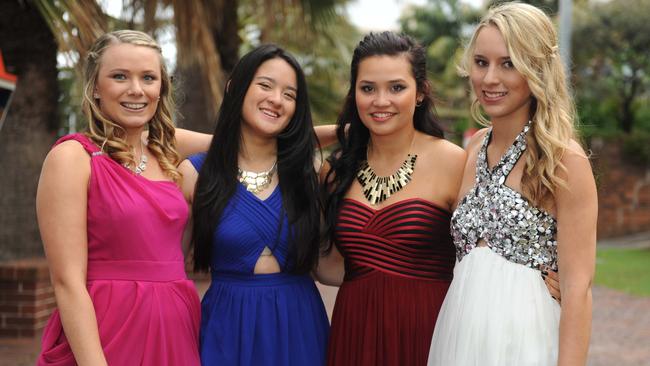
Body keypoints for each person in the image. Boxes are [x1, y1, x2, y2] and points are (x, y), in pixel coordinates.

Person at [428, 3, 597, 365]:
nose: (490, 79)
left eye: (508, 63)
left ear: (536, 68)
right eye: (481, 62)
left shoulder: (564, 158)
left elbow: (578, 289)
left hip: (526, 339)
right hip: (460, 333)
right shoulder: (473, 148)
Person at [36, 30, 206, 366]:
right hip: (106, 334)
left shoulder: (166, 147)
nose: (136, 90)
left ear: (161, 87)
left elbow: (253, 142)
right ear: (96, 87)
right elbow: (67, 281)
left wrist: (340, 133)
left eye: (148, 78)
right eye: (119, 76)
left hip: (175, 329)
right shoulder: (72, 157)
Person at [318, 31, 466, 366]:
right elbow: (275, 145)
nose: (380, 101)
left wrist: (545, 274)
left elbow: (485, 255)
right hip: (354, 331)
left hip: (429, 331)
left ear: (420, 93)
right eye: (367, 88)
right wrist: (340, 130)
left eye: (396, 87)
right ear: (354, 93)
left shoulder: (454, 162)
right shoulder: (334, 170)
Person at [179, 44, 329, 365]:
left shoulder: (309, 173)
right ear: (235, 87)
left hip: (299, 323)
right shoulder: (196, 173)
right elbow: (171, 268)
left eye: (290, 95)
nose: (277, 99)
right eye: (265, 85)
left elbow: (327, 267)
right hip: (226, 323)